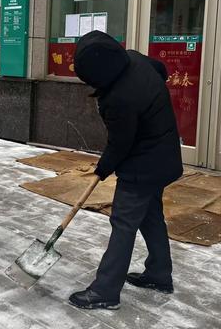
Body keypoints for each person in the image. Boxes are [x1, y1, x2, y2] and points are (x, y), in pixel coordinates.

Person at [69, 31, 183, 310]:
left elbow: (120, 144)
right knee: (151, 216)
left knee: (123, 223)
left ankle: (105, 291)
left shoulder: (119, 98)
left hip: (142, 166)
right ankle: (159, 274)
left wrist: (102, 169)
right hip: (164, 157)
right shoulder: (134, 60)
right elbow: (161, 70)